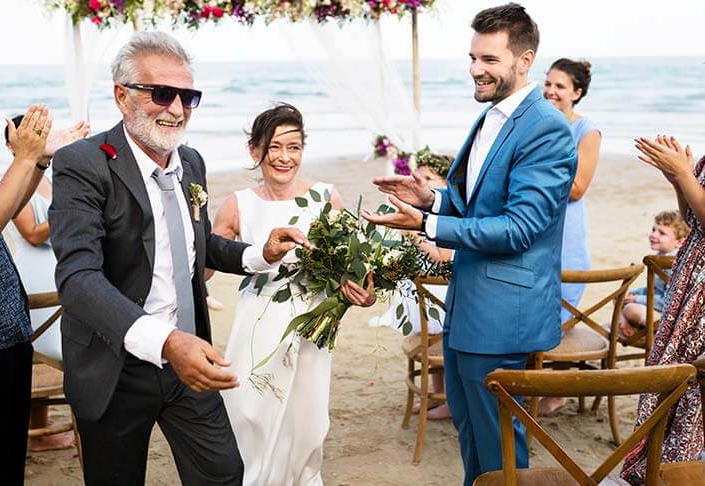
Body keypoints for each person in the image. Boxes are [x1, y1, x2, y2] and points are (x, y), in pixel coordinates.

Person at [48, 32, 309, 486]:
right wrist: (166, 342)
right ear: (122, 96)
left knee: (223, 474)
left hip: (190, 363)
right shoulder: (82, 163)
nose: (176, 108)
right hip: (116, 365)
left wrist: (258, 253)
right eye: (162, 93)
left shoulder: (190, 162)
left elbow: (197, 244)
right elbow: (78, 278)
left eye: (188, 96)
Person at [361, 4, 577, 484]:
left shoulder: (545, 127)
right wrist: (431, 198)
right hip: (467, 303)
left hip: (504, 313)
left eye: (490, 60)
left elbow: (520, 227)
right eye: (473, 57)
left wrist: (427, 225)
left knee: (499, 441)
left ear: (525, 61)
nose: (476, 69)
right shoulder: (490, 117)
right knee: (469, 430)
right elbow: (474, 201)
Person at [213, 103, 376, 485]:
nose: (285, 158)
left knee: (308, 420)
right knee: (249, 411)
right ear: (255, 151)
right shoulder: (238, 204)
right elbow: (203, 264)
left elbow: (351, 270)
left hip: (311, 323)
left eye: (295, 147)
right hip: (256, 320)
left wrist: (362, 294)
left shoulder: (325, 198)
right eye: (274, 147)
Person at [0, 104, 52, 486]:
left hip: (9, 332)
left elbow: (11, 205)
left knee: (7, 458)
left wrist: (37, 162)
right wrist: (24, 155)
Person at [621, 135, 705, 484]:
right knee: (673, 383)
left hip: (699, 294)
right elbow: (693, 219)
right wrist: (679, 181)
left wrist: (684, 176)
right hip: (689, 282)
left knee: (688, 385)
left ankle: (681, 470)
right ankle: (664, 467)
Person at [5, 114, 90, 452]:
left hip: (56, 264)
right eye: (30, 133)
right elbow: (32, 232)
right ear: (12, 143)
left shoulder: (49, 180)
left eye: (41, 132)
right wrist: (71, 212)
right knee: (47, 345)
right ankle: (39, 428)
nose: (38, 137)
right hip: (34, 272)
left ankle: (42, 428)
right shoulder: (8, 184)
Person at [538, 57, 602, 416]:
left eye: (560, 86)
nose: (551, 91)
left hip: (567, 231)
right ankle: (534, 380)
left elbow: (577, 188)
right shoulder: (536, 123)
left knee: (563, 308)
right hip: (536, 226)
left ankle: (558, 389)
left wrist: (535, 177)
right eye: (548, 83)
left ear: (577, 93)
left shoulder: (586, 131)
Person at [372, 148, 454, 420]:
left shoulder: (449, 218)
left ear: (447, 186)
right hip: (423, 288)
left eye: (430, 179)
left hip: (443, 291)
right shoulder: (417, 212)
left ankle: (449, 401)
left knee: (436, 338)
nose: (422, 185)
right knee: (427, 340)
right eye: (419, 178)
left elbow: (443, 258)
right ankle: (435, 393)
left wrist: (414, 235)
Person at [618, 210, 688, 338]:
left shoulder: (674, 264)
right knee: (620, 295)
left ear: (680, 242)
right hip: (661, 307)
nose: (653, 235)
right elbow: (656, 290)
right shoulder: (660, 257)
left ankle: (664, 333)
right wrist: (636, 293)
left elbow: (671, 301)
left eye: (662, 233)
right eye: (654, 229)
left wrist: (636, 299)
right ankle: (626, 324)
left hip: (674, 317)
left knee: (630, 309)